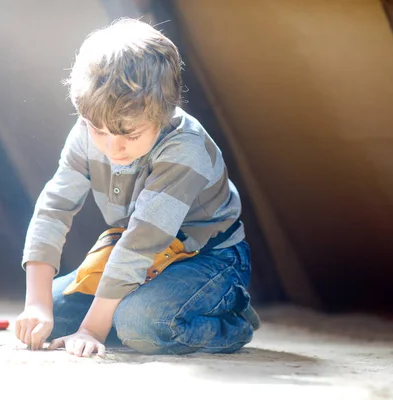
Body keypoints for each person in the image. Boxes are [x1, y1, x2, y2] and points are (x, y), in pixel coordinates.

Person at [15, 18, 259, 358]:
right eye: (98, 131)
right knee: (53, 317)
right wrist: (37, 305)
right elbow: (54, 208)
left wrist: (91, 329)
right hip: (137, 250)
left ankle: (232, 317)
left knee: (140, 326)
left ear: (164, 114)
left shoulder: (184, 148)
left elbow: (142, 240)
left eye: (130, 136)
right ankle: (132, 303)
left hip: (209, 256)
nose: (113, 148)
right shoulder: (92, 126)